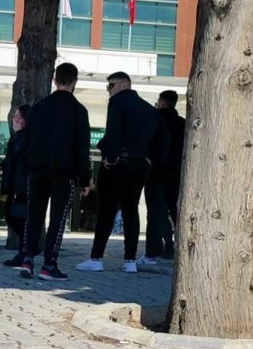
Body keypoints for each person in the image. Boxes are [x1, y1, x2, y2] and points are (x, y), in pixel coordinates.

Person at [77, 72, 169, 274]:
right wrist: (151, 160)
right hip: (140, 164)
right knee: (131, 210)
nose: (108, 90)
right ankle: (129, 261)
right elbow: (163, 140)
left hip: (118, 161)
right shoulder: (149, 110)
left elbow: (114, 132)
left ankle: (96, 258)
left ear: (124, 85)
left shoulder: (117, 103)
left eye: (111, 85)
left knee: (107, 211)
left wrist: (110, 157)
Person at [20, 63, 92, 281]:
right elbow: (82, 147)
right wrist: (85, 179)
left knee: (34, 215)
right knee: (58, 219)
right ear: (75, 82)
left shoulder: (39, 107)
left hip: (37, 171)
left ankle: (27, 260)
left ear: (54, 80)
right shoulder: (78, 111)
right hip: (64, 172)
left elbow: (28, 139)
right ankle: (49, 265)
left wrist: (28, 166)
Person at [139, 90, 185, 265]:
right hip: (176, 175)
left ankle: (154, 250)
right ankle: (179, 247)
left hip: (156, 173)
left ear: (163, 102)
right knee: (176, 212)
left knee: (155, 214)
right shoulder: (182, 124)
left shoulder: (154, 121)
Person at [0, 104, 31, 267]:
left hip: (23, 186)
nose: (15, 120)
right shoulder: (16, 136)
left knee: (20, 219)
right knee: (11, 216)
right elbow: (12, 158)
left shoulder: (25, 136)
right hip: (13, 185)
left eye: (20, 117)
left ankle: (25, 252)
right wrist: (2, 166)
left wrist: (18, 132)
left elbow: (20, 153)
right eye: (15, 117)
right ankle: (25, 250)